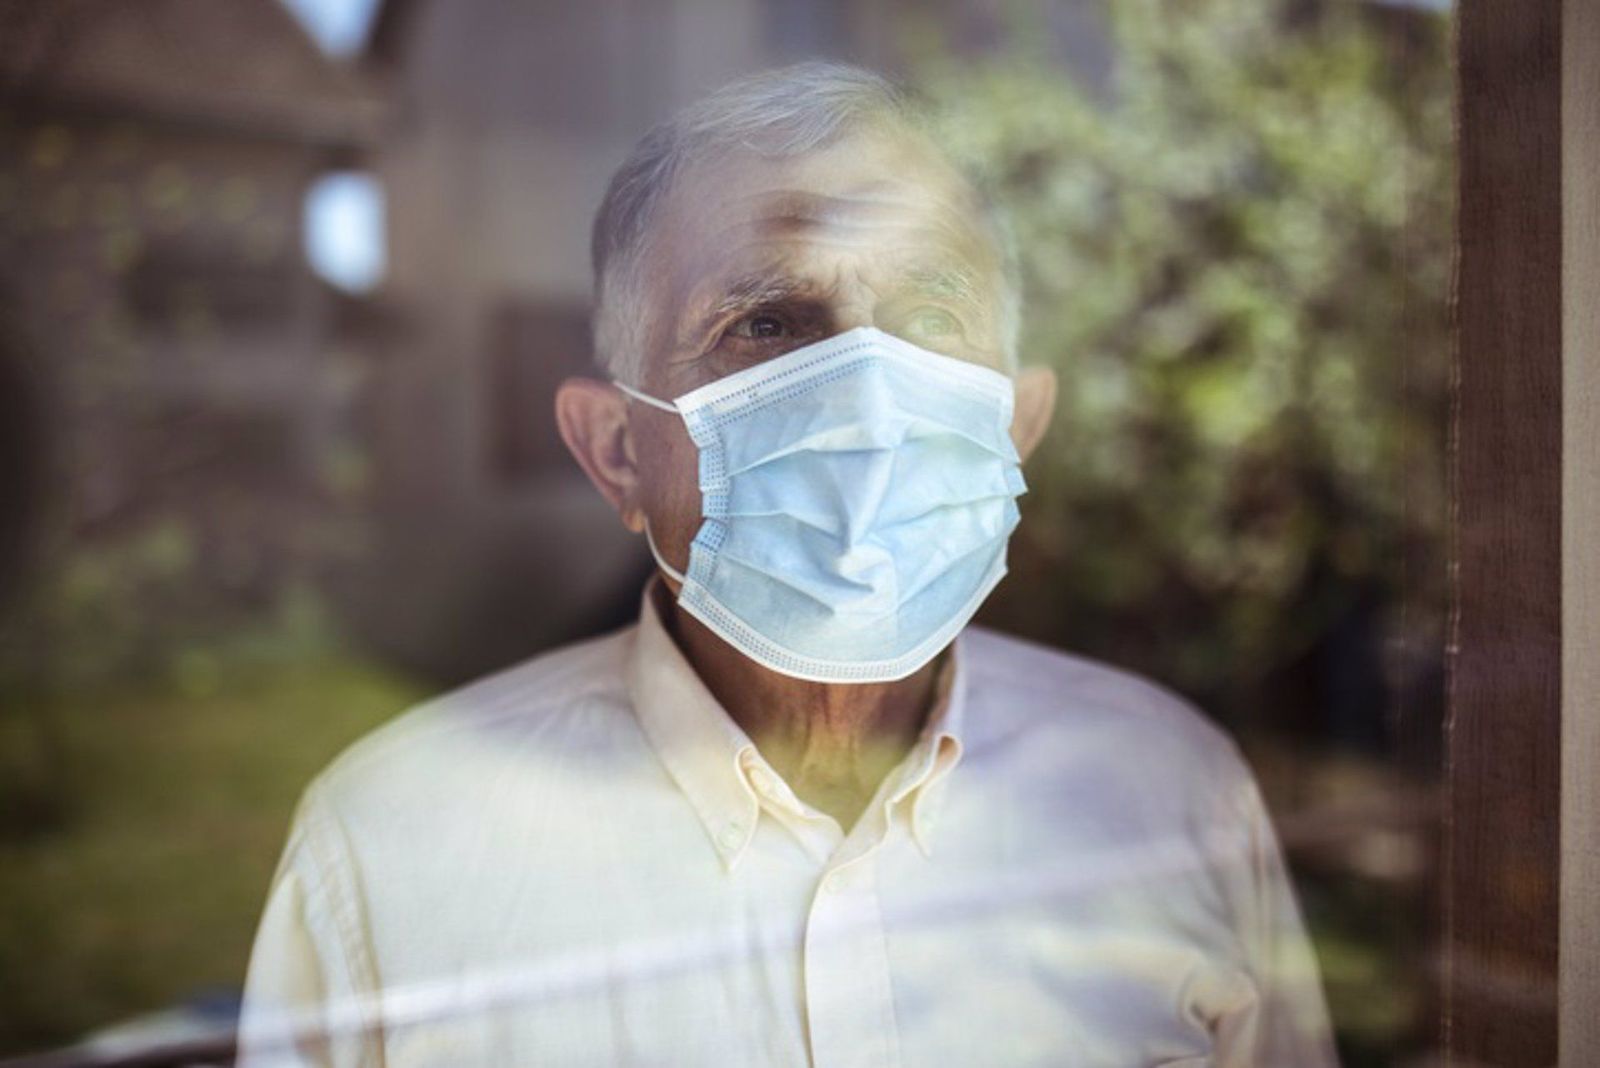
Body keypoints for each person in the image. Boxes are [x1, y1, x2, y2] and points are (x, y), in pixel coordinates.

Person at [236, 62, 1339, 1067]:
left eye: (933, 311)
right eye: (766, 321)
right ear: (617, 450)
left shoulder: (1169, 793)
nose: (867, 390)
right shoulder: (389, 853)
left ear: (1017, 424)